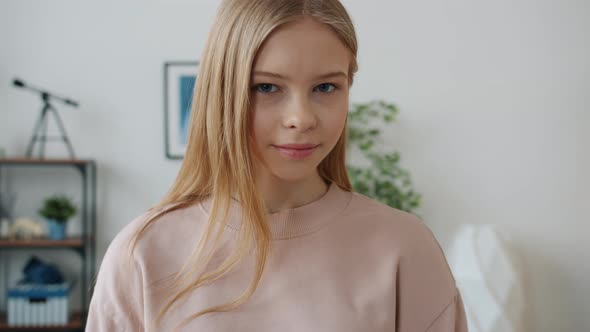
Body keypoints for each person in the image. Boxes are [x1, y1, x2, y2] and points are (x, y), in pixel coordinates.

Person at [86, 0, 468, 331]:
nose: (300, 118)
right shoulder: (142, 254)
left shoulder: (404, 248)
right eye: (267, 87)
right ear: (223, 92)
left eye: (325, 88)